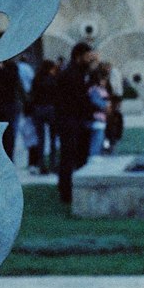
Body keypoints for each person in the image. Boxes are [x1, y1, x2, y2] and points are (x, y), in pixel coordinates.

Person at [55, 41, 95, 204]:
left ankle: (69, 189)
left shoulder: (76, 72)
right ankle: (67, 192)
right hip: (70, 120)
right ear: (79, 56)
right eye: (87, 57)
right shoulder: (72, 74)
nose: (89, 60)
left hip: (73, 120)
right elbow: (79, 98)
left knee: (73, 155)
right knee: (69, 156)